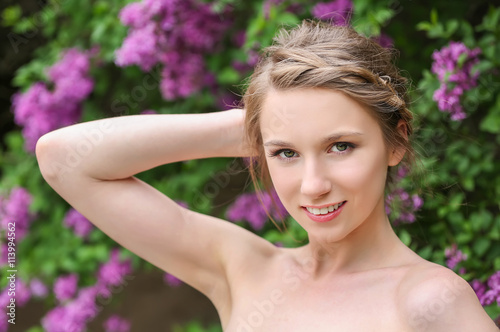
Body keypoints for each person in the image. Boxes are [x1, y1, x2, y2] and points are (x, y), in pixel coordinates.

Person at [35, 20, 497, 331]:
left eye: (341, 146)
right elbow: (63, 158)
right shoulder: (242, 270)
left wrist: (286, 130)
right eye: (287, 153)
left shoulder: (428, 302)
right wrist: (258, 124)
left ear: (395, 143)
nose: (313, 184)